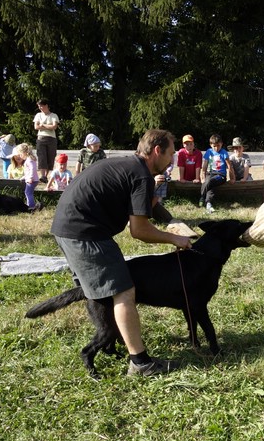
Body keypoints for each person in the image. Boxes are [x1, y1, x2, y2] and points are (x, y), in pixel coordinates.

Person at [50, 128, 192, 376]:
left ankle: (108, 342)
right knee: (123, 291)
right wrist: (175, 239)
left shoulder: (129, 166)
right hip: (85, 233)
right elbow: (139, 231)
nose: (172, 161)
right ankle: (141, 363)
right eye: (170, 154)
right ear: (157, 151)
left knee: (102, 294)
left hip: (67, 228)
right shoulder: (141, 176)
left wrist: (168, 217)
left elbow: (142, 207)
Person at [200, 134, 234, 213]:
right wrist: (203, 177)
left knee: (210, 181)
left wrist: (232, 178)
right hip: (210, 173)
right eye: (214, 146)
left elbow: (229, 166)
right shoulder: (209, 151)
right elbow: (204, 165)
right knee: (209, 184)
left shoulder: (224, 152)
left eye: (218, 145)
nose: (216, 148)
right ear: (210, 145)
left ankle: (202, 197)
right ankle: (208, 203)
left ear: (221, 144)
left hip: (220, 175)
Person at [33, 98, 59, 183]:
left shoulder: (54, 115)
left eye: (41, 106)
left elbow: (54, 127)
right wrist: (48, 126)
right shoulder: (38, 115)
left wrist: (43, 125)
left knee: (50, 157)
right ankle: (43, 175)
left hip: (52, 139)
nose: (40, 108)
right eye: (39, 106)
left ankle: (46, 176)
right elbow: (36, 127)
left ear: (46, 105)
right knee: (42, 157)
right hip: (41, 138)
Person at [12, 143, 41, 211]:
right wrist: (24, 177)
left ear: (24, 153)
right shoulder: (29, 159)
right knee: (28, 192)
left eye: (20, 154)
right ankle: (30, 204)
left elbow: (33, 169)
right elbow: (28, 172)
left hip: (32, 180)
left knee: (28, 193)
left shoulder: (29, 160)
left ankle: (31, 206)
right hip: (32, 179)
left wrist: (30, 177)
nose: (20, 156)